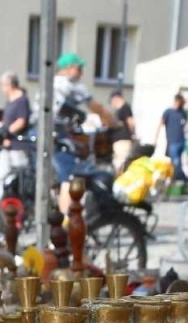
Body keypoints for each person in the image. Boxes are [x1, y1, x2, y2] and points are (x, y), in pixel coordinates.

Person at [52, 53, 114, 210]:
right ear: (69, 68)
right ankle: (66, 218)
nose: (81, 72)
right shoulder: (72, 85)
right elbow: (95, 106)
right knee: (69, 177)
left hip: (39, 132)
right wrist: (114, 122)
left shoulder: (49, 83)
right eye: (79, 68)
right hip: (59, 134)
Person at [0, 71, 31, 196]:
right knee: (2, 173)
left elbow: (21, 120)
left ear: (8, 85)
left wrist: (8, 132)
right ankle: (0, 201)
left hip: (18, 144)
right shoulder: (9, 100)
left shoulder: (21, 100)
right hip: (7, 144)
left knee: (19, 175)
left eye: (3, 85)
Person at [158, 92, 187, 176]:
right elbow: (160, 124)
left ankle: (177, 178)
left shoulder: (183, 113)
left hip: (181, 140)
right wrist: (156, 139)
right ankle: (181, 178)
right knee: (175, 161)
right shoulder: (168, 112)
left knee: (178, 161)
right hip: (172, 141)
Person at [108, 90, 136, 174]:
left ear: (116, 98)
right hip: (119, 141)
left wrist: (133, 134)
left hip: (123, 140)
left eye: (112, 100)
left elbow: (130, 122)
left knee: (121, 162)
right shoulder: (119, 110)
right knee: (118, 161)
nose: (112, 103)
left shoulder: (125, 108)